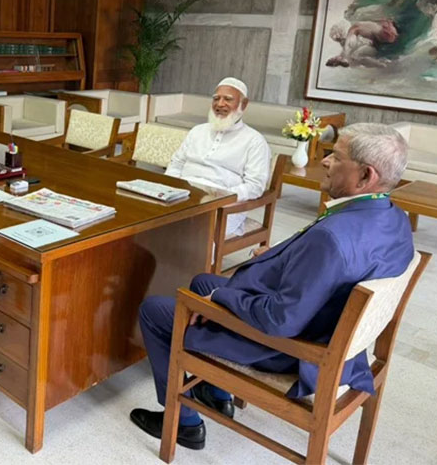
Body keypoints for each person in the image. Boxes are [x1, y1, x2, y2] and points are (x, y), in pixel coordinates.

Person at [131, 123, 414, 450]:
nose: (324, 161)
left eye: (336, 157)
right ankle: (217, 393)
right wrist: (282, 259)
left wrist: (221, 297)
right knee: (201, 281)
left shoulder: (331, 239)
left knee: (156, 310)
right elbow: (335, 270)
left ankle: (184, 423)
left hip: (291, 348)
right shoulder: (394, 217)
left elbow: (281, 320)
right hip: (326, 326)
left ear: (365, 175)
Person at [165, 77, 271, 237]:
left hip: (222, 205)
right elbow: (176, 164)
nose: (220, 104)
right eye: (216, 98)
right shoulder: (197, 131)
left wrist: (224, 195)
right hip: (182, 195)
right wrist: (172, 187)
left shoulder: (254, 141)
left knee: (191, 232)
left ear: (243, 104)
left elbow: (255, 186)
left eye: (228, 99)